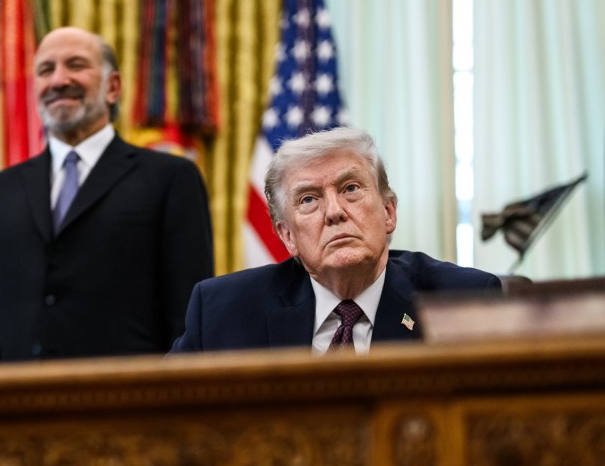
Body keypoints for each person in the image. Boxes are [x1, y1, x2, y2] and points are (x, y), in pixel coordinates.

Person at [0, 27, 214, 364]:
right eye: (46, 70)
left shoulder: (171, 178)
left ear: (113, 87)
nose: (58, 80)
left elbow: (188, 313)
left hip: (123, 398)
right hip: (10, 400)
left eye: (75, 65)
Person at [170, 127, 501, 353]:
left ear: (389, 212)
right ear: (287, 236)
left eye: (350, 189)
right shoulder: (222, 312)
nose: (334, 212)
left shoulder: (463, 301)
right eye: (309, 199)